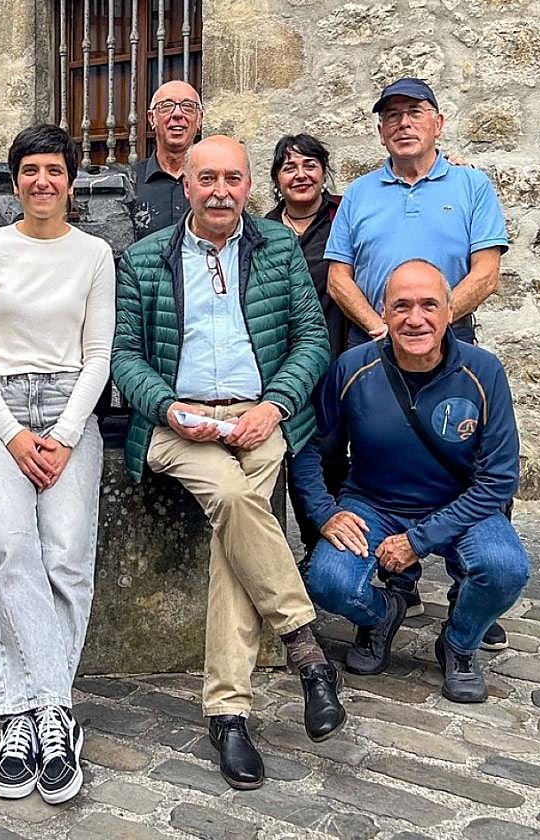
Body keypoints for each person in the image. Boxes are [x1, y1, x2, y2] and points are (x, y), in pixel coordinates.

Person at [111, 135, 344, 791]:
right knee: (237, 500)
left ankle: (229, 714)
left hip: (258, 416)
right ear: (186, 184)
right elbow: (123, 354)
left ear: (247, 186)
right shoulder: (145, 258)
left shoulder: (278, 250)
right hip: (179, 422)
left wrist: (276, 405)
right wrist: (166, 406)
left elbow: (311, 339)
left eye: (232, 179)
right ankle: (306, 648)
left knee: (231, 541)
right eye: (207, 178)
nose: (220, 191)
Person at [0, 124, 114, 805]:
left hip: (70, 408)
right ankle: (37, 714)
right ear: (14, 181)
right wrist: (15, 435)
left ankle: (38, 710)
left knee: (68, 556)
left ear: (70, 182)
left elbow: (99, 354)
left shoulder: (94, 254)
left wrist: (65, 433)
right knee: (9, 552)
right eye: (30, 170)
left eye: (54, 170)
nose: (42, 181)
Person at [324, 76, 510, 643]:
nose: (404, 123)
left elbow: (487, 272)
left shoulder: (472, 185)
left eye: (415, 112)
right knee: (381, 457)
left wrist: (433, 323)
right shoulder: (360, 193)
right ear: (381, 131)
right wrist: (385, 328)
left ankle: (471, 590)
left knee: (466, 452)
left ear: (438, 123)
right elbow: (339, 277)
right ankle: (392, 581)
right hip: (375, 342)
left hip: (450, 342)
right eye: (392, 115)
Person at [294, 259, 528, 702]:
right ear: (383, 312)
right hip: (374, 503)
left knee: (505, 569)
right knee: (327, 581)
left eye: (428, 305)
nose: (415, 318)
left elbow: (499, 479)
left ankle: (459, 643)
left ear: (450, 311)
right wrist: (325, 513)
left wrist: (417, 541)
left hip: (460, 505)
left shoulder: (484, 371)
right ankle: (382, 614)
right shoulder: (352, 368)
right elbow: (309, 445)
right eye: (401, 306)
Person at [263, 134, 349, 561]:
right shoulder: (262, 229)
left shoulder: (343, 217)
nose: (300, 175)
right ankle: (315, 546)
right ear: (277, 179)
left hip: (335, 353)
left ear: (323, 171)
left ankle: (338, 547)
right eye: (289, 167)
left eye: (309, 165)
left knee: (333, 451)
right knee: (299, 449)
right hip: (283, 363)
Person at [131, 80, 203, 241]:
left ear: (199, 119)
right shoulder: (130, 181)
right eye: (166, 106)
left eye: (188, 106)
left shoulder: (213, 183)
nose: (177, 114)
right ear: (152, 119)